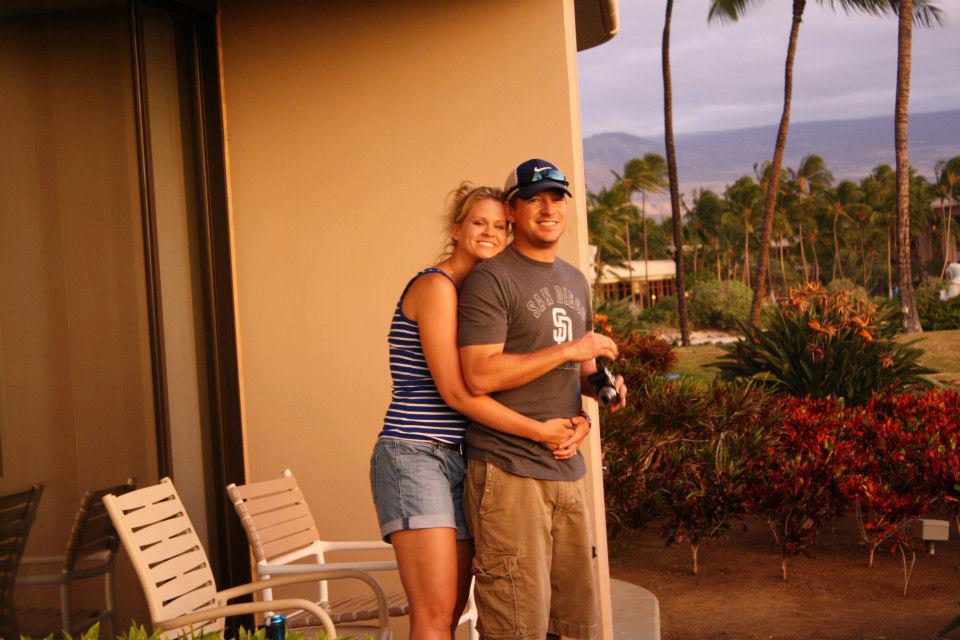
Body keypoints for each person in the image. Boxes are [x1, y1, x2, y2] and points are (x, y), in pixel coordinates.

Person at [369, 183, 592, 640]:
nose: (490, 233)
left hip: (461, 455)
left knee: (451, 611)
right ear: (456, 229)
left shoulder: (477, 290)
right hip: (416, 454)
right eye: (478, 223)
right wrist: (539, 432)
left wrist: (582, 417)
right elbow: (458, 393)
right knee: (434, 615)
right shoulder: (437, 286)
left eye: (498, 226)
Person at [458, 159, 627, 640]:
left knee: (572, 621)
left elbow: (581, 371)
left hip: (566, 468)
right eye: (535, 199)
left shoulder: (574, 280)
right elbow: (479, 374)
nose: (549, 208)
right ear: (512, 211)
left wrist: (602, 390)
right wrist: (572, 350)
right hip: (509, 471)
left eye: (557, 198)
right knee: (517, 623)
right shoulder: (491, 279)